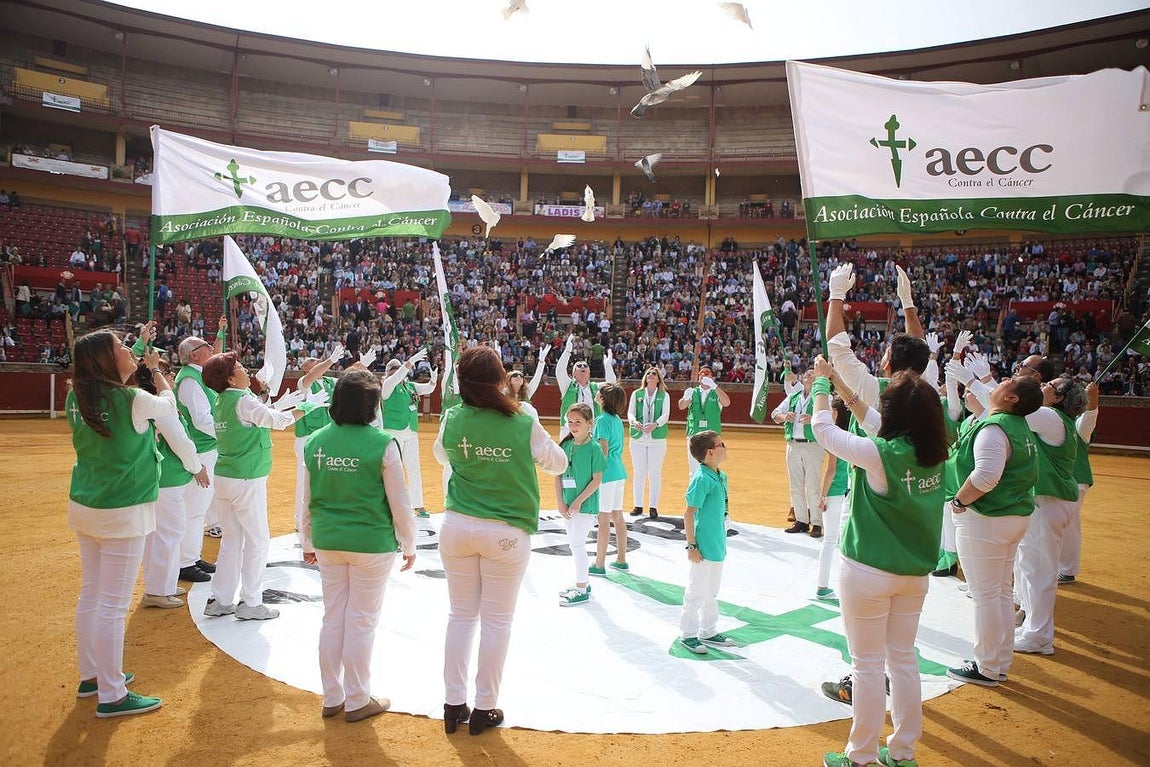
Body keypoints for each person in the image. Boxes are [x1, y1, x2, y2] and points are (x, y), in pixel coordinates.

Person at [810, 358, 948, 767]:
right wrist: (840, 385)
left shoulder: (879, 453)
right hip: (913, 575)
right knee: (903, 660)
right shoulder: (934, 450)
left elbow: (823, 431)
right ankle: (903, 751)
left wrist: (820, 385)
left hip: (868, 571)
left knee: (868, 666)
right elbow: (874, 424)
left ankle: (862, 756)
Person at [66, 325, 206, 718]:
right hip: (123, 509)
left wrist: (144, 351)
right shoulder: (133, 399)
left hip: (87, 503)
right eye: (122, 347)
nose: (130, 351)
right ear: (109, 360)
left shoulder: (75, 394)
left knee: (92, 594)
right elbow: (169, 407)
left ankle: (92, 675)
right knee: (112, 603)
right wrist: (158, 371)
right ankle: (111, 693)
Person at [433, 346, 566, 736]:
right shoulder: (523, 416)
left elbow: (442, 456)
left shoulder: (453, 417)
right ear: (500, 378)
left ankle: (453, 703)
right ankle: (484, 707)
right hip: (506, 530)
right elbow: (556, 462)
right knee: (496, 622)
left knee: (460, 616)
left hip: (458, 524)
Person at [300, 370, 417, 723]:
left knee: (333, 616)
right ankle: (357, 698)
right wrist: (409, 543)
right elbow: (400, 502)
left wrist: (307, 540)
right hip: (371, 542)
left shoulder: (316, 440)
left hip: (328, 540)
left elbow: (306, 501)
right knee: (361, 621)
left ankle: (333, 696)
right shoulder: (382, 443)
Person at [944, 375, 1044, 688]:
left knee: (987, 594)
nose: (1001, 382)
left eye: (1008, 382)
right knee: (1000, 590)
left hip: (986, 518)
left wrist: (959, 501)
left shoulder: (996, 427)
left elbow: (986, 476)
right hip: (1012, 515)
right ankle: (998, 661)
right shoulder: (1017, 426)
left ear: (1013, 398)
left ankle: (987, 666)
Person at [200, 351, 313, 621]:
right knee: (258, 540)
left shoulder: (222, 400)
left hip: (227, 475)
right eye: (238, 367)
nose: (244, 370)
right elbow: (276, 420)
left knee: (232, 540)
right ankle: (250, 601)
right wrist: (307, 409)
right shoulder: (241, 399)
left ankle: (221, 599)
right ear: (230, 378)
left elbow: (263, 413)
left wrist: (287, 403)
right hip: (247, 477)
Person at [1014, 376, 1086, 655]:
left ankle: (1039, 635)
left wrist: (979, 380)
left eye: (1050, 386)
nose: (1043, 386)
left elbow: (1006, 408)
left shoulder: (1048, 416)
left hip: (1048, 502)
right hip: (1048, 502)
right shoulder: (1053, 418)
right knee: (1031, 568)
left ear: (1057, 398)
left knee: (1039, 571)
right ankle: (1033, 626)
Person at [137, 360, 204, 609]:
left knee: (161, 534)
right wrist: (197, 467)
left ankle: (162, 584)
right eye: (166, 372)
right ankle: (158, 590)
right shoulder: (161, 406)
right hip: (169, 478)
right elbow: (181, 442)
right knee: (169, 533)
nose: (171, 375)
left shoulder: (150, 404)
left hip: (163, 477)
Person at [174, 321, 227, 582]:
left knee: (198, 507)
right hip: (201, 448)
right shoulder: (190, 380)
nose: (210, 347)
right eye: (205, 346)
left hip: (205, 447)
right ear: (194, 355)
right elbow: (201, 420)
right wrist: (227, 433)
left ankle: (191, 557)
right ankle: (185, 562)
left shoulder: (196, 376)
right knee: (195, 507)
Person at [677, 430, 739, 655]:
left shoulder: (721, 476)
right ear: (710, 452)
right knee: (696, 591)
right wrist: (692, 546)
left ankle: (708, 629)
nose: (725, 446)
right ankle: (688, 634)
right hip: (703, 546)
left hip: (717, 543)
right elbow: (688, 514)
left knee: (711, 591)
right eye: (721, 444)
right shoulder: (702, 479)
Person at [292, 345, 348, 535]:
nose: (318, 363)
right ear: (306, 367)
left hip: (327, 436)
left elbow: (349, 376)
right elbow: (310, 378)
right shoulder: (303, 383)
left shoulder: (329, 382)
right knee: (304, 481)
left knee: (327, 478)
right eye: (313, 362)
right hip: (307, 436)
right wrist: (330, 360)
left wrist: (362, 364)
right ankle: (300, 521)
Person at [555, 403, 605, 607]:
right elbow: (557, 475)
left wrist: (577, 502)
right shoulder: (565, 446)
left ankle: (581, 587)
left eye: (578, 422)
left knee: (577, 544)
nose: (573, 426)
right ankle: (583, 582)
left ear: (589, 424)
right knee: (573, 543)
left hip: (585, 506)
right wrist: (561, 502)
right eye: (570, 422)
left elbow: (596, 480)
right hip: (568, 504)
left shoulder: (594, 448)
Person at [379, 350, 435, 517]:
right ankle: (387, 504)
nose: (397, 371)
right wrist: (409, 362)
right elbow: (396, 378)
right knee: (391, 468)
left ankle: (418, 505)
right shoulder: (387, 386)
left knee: (414, 468)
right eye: (393, 368)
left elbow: (429, 389)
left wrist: (433, 379)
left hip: (411, 430)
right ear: (388, 372)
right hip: (392, 431)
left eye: (398, 368)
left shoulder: (410, 386)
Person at [772, 367, 826, 537]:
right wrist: (784, 417)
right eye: (806, 373)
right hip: (793, 444)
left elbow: (832, 417)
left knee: (813, 485)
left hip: (813, 445)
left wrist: (814, 419)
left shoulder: (823, 397)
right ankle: (801, 520)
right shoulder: (794, 397)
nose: (808, 375)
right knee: (795, 485)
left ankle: (817, 523)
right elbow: (775, 414)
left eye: (812, 373)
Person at [1058, 382, 1099, 584]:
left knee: (1069, 525)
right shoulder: (1059, 420)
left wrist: (1092, 396)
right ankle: (1062, 566)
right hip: (1064, 480)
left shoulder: (1079, 424)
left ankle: (1067, 569)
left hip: (1075, 480)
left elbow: (1090, 415)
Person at [590, 383, 629, 575]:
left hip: (607, 474)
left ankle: (599, 563)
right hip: (619, 470)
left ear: (603, 399)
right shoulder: (616, 420)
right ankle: (621, 559)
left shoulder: (601, 420)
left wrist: (595, 474)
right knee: (618, 517)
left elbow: (602, 450)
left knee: (603, 519)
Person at [815, 397, 851, 601]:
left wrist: (822, 495)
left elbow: (830, 471)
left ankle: (822, 585)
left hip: (835, 491)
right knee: (844, 541)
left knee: (829, 540)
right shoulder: (853, 433)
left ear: (836, 414)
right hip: (850, 490)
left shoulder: (834, 437)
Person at [627, 366, 671, 519]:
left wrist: (655, 425)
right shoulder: (637, 394)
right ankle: (638, 505)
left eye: (654, 374)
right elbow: (630, 412)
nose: (651, 375)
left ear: (659, 379)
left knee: (654, 473)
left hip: (656, 438)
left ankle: (653, 506)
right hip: (638, 437)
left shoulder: (664, 395)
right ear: (645, 378)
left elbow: (666, 414)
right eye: (649, 373)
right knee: (639, 472)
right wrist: (634, 422)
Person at [555, 333, 616, 440]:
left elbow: (611, 384)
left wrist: (608, 366)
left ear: (589, 373)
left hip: (591, 429)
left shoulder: (595, 387)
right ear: (573, 374)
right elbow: (559, 370)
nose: (582, 366)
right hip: (569, 428)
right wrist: (567, 351)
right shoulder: (567, 386)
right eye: (579, 366)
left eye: (585, 366)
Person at [678, 366, 731, 476]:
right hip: (695, 433)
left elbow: (726, 403)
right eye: (701, 374)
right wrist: (685, 398)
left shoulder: (716, 392)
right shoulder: (693, 392)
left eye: (707, 373)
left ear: (713, 378)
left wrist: (715, 387)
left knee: (711, 468)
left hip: (711, 436)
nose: (703, 375)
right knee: (694, 469)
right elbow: (682, 406)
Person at [507, 345, 549, 418]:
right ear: (509, 380)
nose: (518, 376)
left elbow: (537, 378)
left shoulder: (527, 392)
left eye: (521, 376)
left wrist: (541, 362)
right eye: (515, 375)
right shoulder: (504, 393)